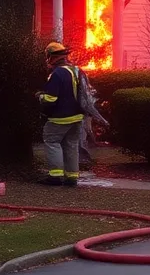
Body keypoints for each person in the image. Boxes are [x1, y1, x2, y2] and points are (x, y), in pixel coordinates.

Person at [37, 42, 108, 187]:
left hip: (59, 118)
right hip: (77, 117)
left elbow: (51, 98)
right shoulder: (76, 70)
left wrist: (40, 96)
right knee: (71, 145)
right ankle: (71, 178)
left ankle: (55, 177)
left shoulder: (57, 74)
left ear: (51, 57)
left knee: (53, 142)